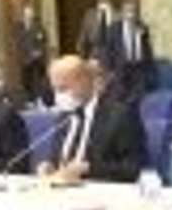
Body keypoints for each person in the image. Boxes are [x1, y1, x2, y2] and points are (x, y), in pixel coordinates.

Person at [41, 55, 146, 183]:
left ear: (84, 82)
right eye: (55, 89)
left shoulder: (121, 115)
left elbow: (132, 168)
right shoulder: (64, 116)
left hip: (102, 189)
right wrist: (49, 166)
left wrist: (89, 169)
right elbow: (58, 159)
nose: (59, 96)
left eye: (63, 88)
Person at [108, 2, 155, 100]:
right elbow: (109, 49)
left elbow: (147, 48)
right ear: (123, 13)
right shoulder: (114, 28)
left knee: (139, 96)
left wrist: (150, 67)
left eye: (133, 11)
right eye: (128, 11)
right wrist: (110, 68)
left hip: (139, 68)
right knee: (121, 96)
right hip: (122, 68)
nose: (131, 14)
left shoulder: (142, 27)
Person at [16, 5, 51, 106]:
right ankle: (29, 100)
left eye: (30, 14)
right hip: (25, 60)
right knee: (26, 81)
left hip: (37, 60)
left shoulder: (39, 27)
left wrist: (39, 51)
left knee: (39, 80)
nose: (28, 16)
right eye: (26, 14)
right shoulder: (19, 28)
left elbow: (43, 40)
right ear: (23, 16)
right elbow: (18, 43)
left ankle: (40, 98)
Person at [76, 0, 115, 64]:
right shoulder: (90, 15)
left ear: (110, 4)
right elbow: (83, 36)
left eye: (105, 2)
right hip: (95, 55)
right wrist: (82, 56)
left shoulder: (118, 16)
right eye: (101, 2)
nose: (103, 5)